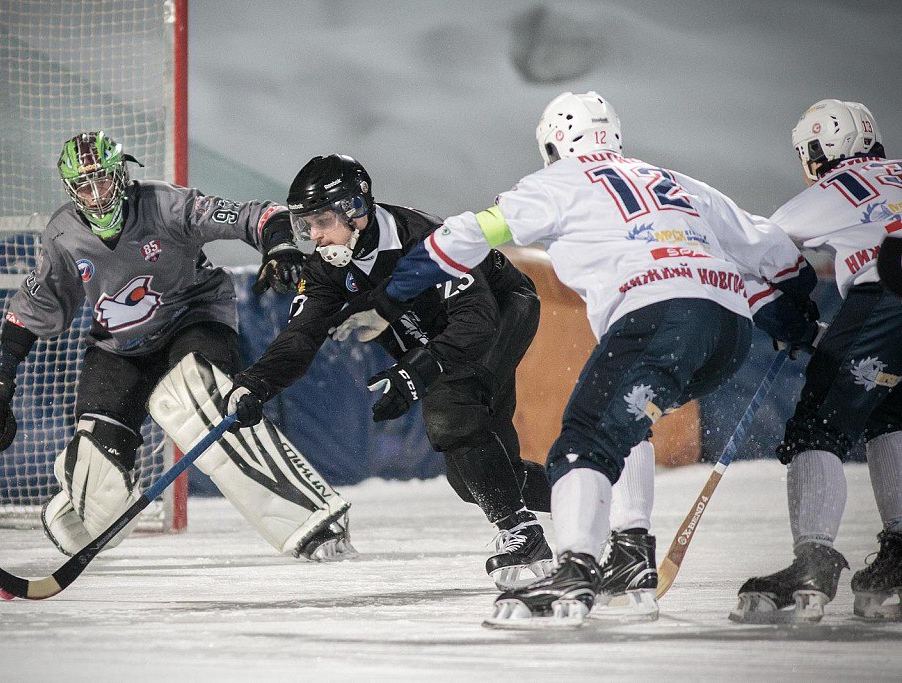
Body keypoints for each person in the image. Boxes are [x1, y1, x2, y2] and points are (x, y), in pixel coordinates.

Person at [329, 92, 818, 627]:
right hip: (727, 330)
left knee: (580, 445)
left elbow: (463, 237)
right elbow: (775, 253)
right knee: (626, 426)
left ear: (551, 145)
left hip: (655, 316)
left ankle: (576, 567)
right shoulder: (677, 181)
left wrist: (389, 296)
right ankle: (630, 555)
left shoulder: (554, 183)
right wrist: (790, 317)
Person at [0, 131, 356, 562]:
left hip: (193, 320)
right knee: (99, 474)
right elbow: (31, 311)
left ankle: (315, 521)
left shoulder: (165, 204)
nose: (95, 196)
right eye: (83, 186)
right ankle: (78, 508)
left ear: (121, 175)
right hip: (118, 347)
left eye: (103, 181)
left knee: (197, 401)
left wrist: (278, 246)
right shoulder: (63, 236)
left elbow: (258, 215)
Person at [226, 153, 555, 588]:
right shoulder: (326, 270)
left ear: (355, 210)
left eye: (322, 221)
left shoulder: (423, 239)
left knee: (450, 409)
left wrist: (417, 370)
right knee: (473, 474)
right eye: (306, 225)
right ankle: (591, 493)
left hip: (502, 309)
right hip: (442, 332)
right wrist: (255, 384)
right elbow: (301, 336)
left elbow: (476, 320)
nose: (315, 237)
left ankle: (522, 533)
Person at [731, 100, 902, 623]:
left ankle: (813, 563)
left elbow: (757, 245)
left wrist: (781, 311)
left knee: (818, 426)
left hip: (889, 297)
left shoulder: (840, 186)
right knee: (890, 416)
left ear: (819, 150)